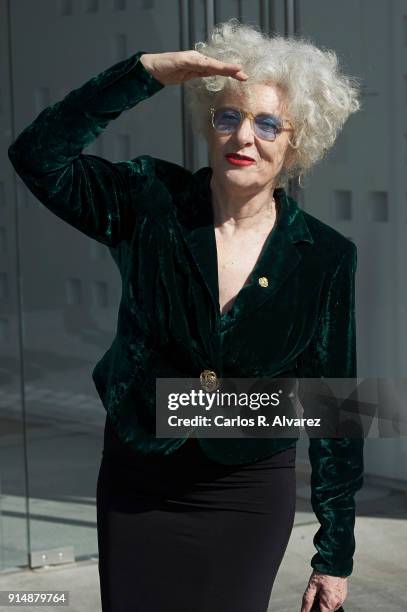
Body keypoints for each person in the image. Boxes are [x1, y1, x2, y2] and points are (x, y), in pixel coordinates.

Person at [8, 18, 363, 612]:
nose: (243, 137)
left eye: (267, 123)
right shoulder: (152, 202)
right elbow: (36, 157)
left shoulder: (326, 256)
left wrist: (335, 552)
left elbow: (337, 405)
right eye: (230, 116)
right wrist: (143, 73)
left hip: (246, 490)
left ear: (297, 144)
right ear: (209, 124)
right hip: (139, 480)